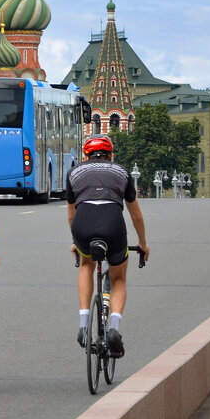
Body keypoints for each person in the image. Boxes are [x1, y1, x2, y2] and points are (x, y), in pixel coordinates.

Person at [66, 134, 150, 359]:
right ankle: (113, 329)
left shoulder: (73, 173)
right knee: (118, 278)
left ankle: (83, 325)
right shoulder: (122, 172)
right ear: (110, 155)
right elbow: (136, 216)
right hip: (113, 225)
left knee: (87, 265)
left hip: (83, 225)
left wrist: (76, 242)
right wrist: (142, 243)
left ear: (86, 156)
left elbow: (71, 216)